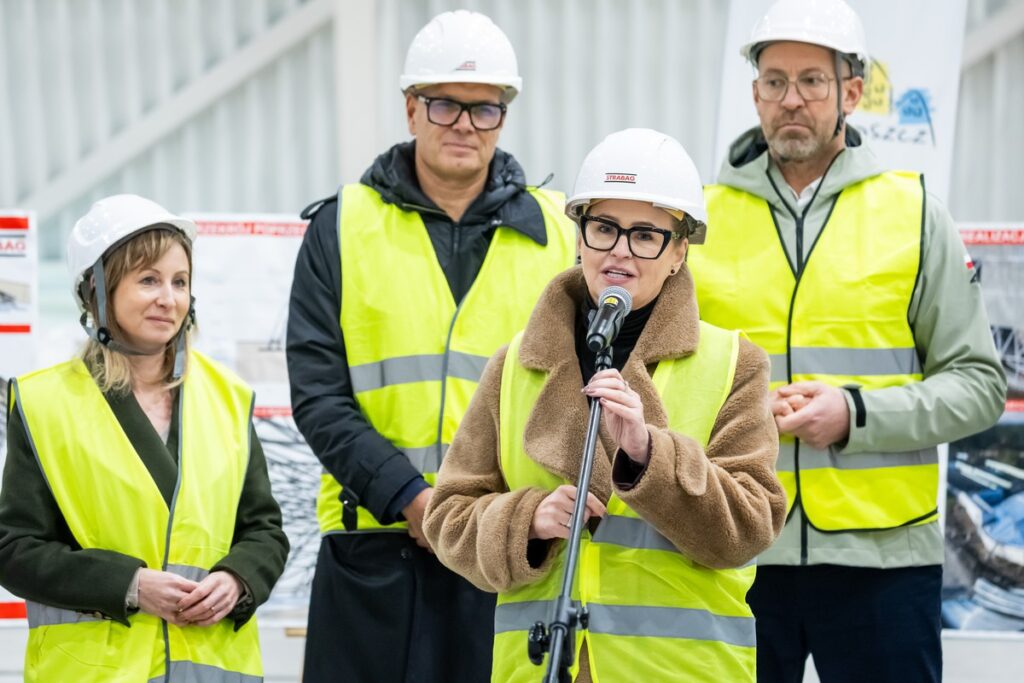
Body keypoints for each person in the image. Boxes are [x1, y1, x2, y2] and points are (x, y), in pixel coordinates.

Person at [687, 1, 1008, 681]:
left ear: (852, 93)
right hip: (738, 550)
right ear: (754, 94)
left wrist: (856, 414)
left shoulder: (914, 212)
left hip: (884, 566)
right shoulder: (701, 220)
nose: (790, 99)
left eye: (811, 80)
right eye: (774, 81)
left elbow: (979, 384)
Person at [423, 128, 786, 682]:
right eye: (604, 228)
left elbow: (751, 524)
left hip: (678, 672)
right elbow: (448, 518)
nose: (619, 249)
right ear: (579, 235)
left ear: (679, 252)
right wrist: (525, 519)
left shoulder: (734, 362)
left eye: (646, 235)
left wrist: (648, 454)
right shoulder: (514, 364)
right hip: (543, 668)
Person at [287, 9, 576, 682]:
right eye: (445, 105)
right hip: (376, 548)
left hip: (509, 549)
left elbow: (580, 391)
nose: (464, 126)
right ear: (411, 108)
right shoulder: (341, 227)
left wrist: (500, 513)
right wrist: (410, 498)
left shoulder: (561, 237)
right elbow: (318, 394)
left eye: (485, 109)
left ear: (505, 115)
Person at [0, 194, 289, 682]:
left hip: (213, 672)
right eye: (148, 280)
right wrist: (129, 585)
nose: (168, 298)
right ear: (98, 290)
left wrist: (237, 578)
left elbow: (264, 531)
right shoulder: (43, 402)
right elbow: (15, 549)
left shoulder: (229, 398)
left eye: (180, 282)